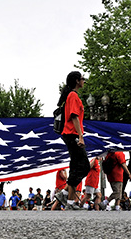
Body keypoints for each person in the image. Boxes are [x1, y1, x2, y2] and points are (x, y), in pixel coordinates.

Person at [54, 71, 90, 210]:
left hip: (70, 134)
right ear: (76, 81)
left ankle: (68, 200)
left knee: (75, 165)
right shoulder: (73, 96)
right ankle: (65, 195)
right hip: (72, 134)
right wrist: (80, 136)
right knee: (84, 166)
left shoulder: (70, 95)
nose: (83, 81)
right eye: (82, 79)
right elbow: (74, 116)